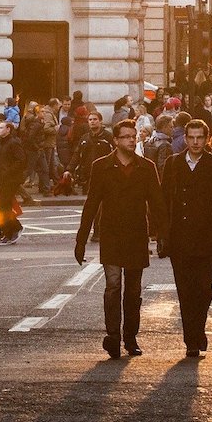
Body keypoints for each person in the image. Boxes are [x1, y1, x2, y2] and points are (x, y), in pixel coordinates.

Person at [74, 120, 164, 359]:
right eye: (125, 137)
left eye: (133, 136)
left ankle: (131, 337)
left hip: (136, 235)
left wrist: (163, 235)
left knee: (133, 291)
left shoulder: (146, 167)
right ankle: (113, 335)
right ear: (115, 141)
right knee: (113, 286)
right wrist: (81, 239)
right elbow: (91, 202)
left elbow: (157, 204)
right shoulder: (101, 166)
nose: (131, 141)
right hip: (112, 234)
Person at [159, 119, 212, 357]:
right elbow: (163, 199)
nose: (195, 142)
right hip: (179, 237)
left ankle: (198, 329)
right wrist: (161, 233)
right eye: (191, 137)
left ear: (206, 138)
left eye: (200, 137)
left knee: (204, 288)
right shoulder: (173, 163)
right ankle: (191, 339)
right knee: (185, 290)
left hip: (205, 235)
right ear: (185, 139)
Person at [63, 111, 114, 194]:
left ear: (100, 121)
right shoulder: (85, 138)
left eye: (95, 119)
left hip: (104, 175)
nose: (92, 121)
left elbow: (116, 153)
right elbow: (77, 155)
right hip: (87, 176)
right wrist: (69, 170)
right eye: (90, 120)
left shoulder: (108, 137)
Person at [0, 120, 27, 245]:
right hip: (4, 178)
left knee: (4, 205)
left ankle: (10, 233)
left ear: (8, 129)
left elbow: (21, 160)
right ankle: (14, 229)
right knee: (4, 206)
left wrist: (7, 172)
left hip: (11, 179)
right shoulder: (2, 142)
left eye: (2, 128)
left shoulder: (13, 142)